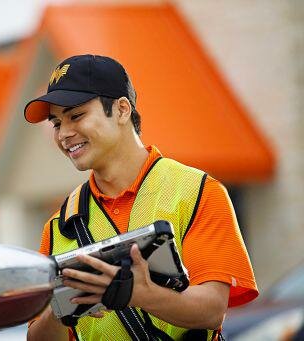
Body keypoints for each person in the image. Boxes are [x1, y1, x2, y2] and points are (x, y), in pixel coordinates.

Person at [24, 54, 258, 341]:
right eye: (57, 123)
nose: (64, 134)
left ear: (122, 109)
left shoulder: (197, 190)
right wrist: (61, 311)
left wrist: (140, 295)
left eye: (76, 115)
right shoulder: (60, 225)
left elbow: (212, 309)